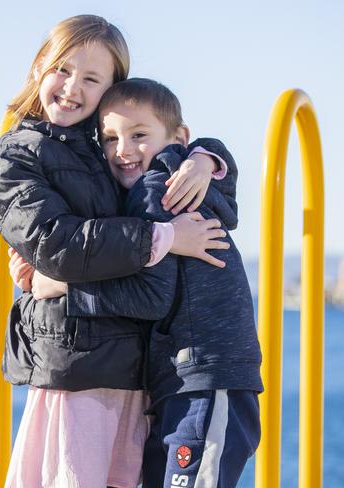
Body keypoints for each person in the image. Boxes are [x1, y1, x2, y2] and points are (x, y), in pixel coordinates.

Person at [0, 15, 232, 488]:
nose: (73, 87)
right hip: (76, 368)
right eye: (63, 69)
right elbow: (60, 247)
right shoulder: (15, 156)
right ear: (39, 68)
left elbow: (166, 137)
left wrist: (205, 156)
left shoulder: (105, 151)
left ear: (111, 93)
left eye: (92, 79)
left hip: (134, 370)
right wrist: (166, 239)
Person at [25, 78, 263, 488]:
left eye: (138, 135)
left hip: (206, 375)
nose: (123, 150)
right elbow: (226, 177)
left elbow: (151, 295)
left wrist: (66, 286)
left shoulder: (157, 188)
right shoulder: (185, 174)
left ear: (178, 137)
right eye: (110, 138)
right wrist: (206, 156)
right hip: (188, 377)